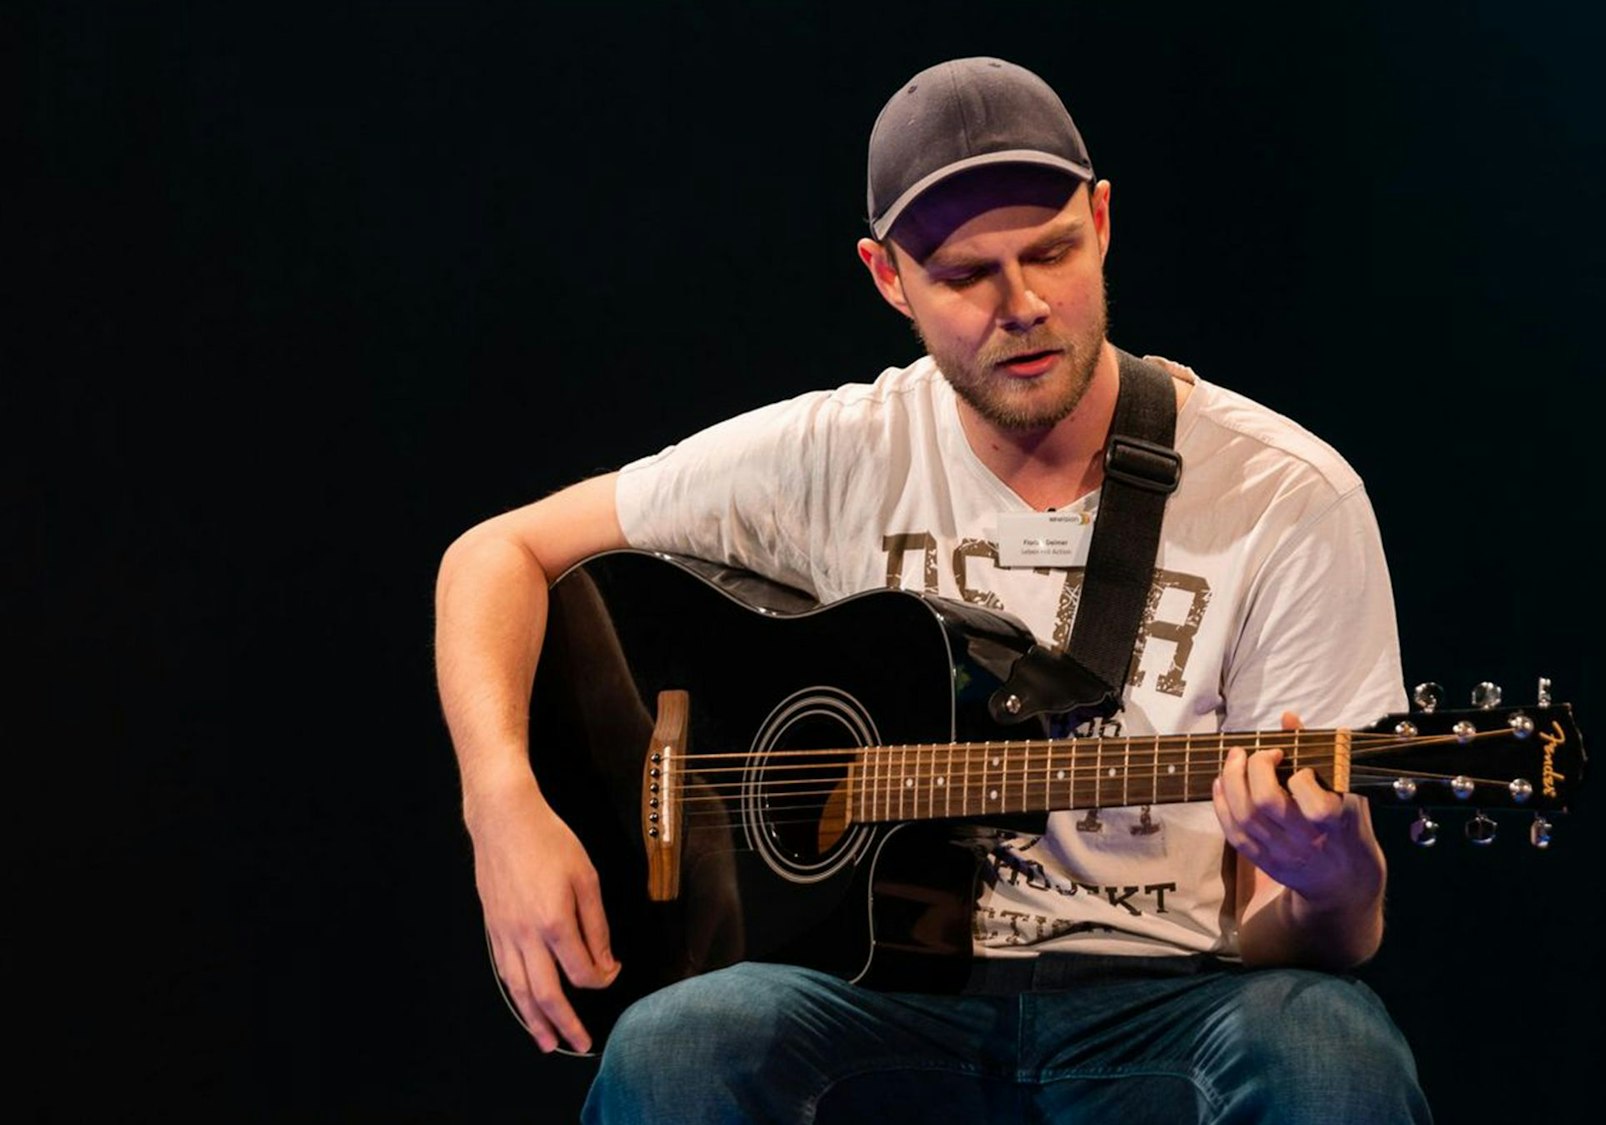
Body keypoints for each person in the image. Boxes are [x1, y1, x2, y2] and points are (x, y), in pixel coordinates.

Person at [435, 55, 1433, 1124]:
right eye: (964, 276)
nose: (1024, 305)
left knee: (1329, 1048)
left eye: (1051, 251)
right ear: (888, 277)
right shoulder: (837, 452)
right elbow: (495, 554)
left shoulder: (1284, 496)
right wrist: (503, 808)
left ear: (1102, 223)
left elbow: (1315, 936)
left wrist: (1333, 880)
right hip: (871, 1001)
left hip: (1170, 1007)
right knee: (678, 1044)